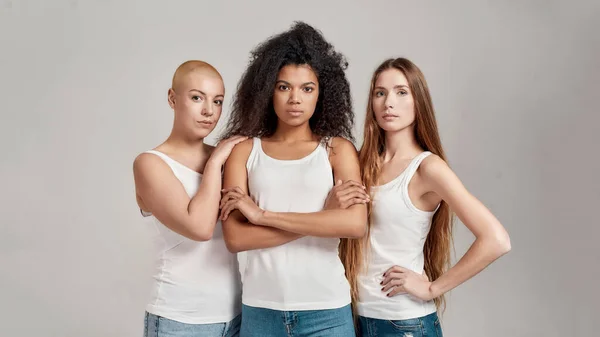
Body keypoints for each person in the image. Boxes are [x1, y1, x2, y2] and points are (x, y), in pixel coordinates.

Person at [341, 57, 512, 337]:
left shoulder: (427, 168)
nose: (388, 103)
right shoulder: (360, 164)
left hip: (404, 324)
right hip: (356, 318)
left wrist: (433, 288)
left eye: (401, 92)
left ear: (418, 101)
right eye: (380, 93)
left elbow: (497, 240)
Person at [218, 22, 368, 336]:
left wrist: (262, 216)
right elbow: (236, 239)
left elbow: (355, 225)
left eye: (307, 88)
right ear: (267, 90)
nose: (295, 99)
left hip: (327, 310)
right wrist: (325, 218)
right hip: (262, 311)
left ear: (321, 94)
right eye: (284, 86)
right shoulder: (245, 152)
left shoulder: (337, 150)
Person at [133, 60, 246, 337]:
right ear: (172, 98)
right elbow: (200, 227)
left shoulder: (230, 158)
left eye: (217, 101)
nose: (209, 111)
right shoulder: (150, 163)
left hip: (237, 316)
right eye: (197, 98)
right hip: (179, 321)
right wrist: (216, 159)